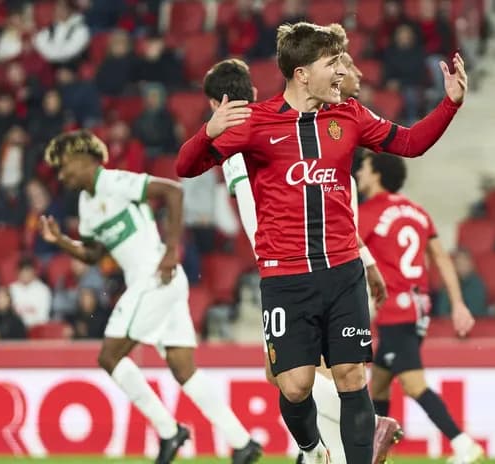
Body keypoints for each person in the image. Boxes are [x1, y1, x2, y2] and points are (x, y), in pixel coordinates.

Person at [176, 22, 467, 464]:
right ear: (301, 74)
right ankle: (311, 450)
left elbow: (409, 143)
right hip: (285, 278)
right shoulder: (255, 123)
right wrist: (209, 131)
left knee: (351, 376)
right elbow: (185, 166)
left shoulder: (349, 115)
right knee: (293, 385)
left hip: (342, 271)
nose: (341, 72)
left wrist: (450, 103)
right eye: (332, 63)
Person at [201, 54, 402, 464]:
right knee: (312, 373)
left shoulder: (243, 137)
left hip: (290, 267)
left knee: (288, 375)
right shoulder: (297, 127)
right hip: (330, 251)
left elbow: (258, 210)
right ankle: (321, 451)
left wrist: (272, 258)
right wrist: (364, 256)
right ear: (254, 94)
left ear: (213, 104)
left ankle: (336, 442)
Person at [38, 131, 261, 464]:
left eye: (64, 166)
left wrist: (172, 251)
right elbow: (95, 254)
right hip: (158, 283)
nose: (62, 175)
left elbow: (171, 191)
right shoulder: (86, 205)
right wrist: (62, 242)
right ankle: (243, 442)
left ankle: (169, 431)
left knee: (109, 357)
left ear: (83, 159)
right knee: (183, 368)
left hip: (155, 276)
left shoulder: (115, 182)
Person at [356, 153, 483, 463]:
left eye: (365, 167)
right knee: (380, 385)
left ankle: (464, 444)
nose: (359, 172)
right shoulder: (416, 211)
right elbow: (440, 256)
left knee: (413, 383)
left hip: (397, 308)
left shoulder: (369, 212)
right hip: (418, 306)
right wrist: (458, 304)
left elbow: (344, 246)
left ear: (377, 175)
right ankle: (374, 454)